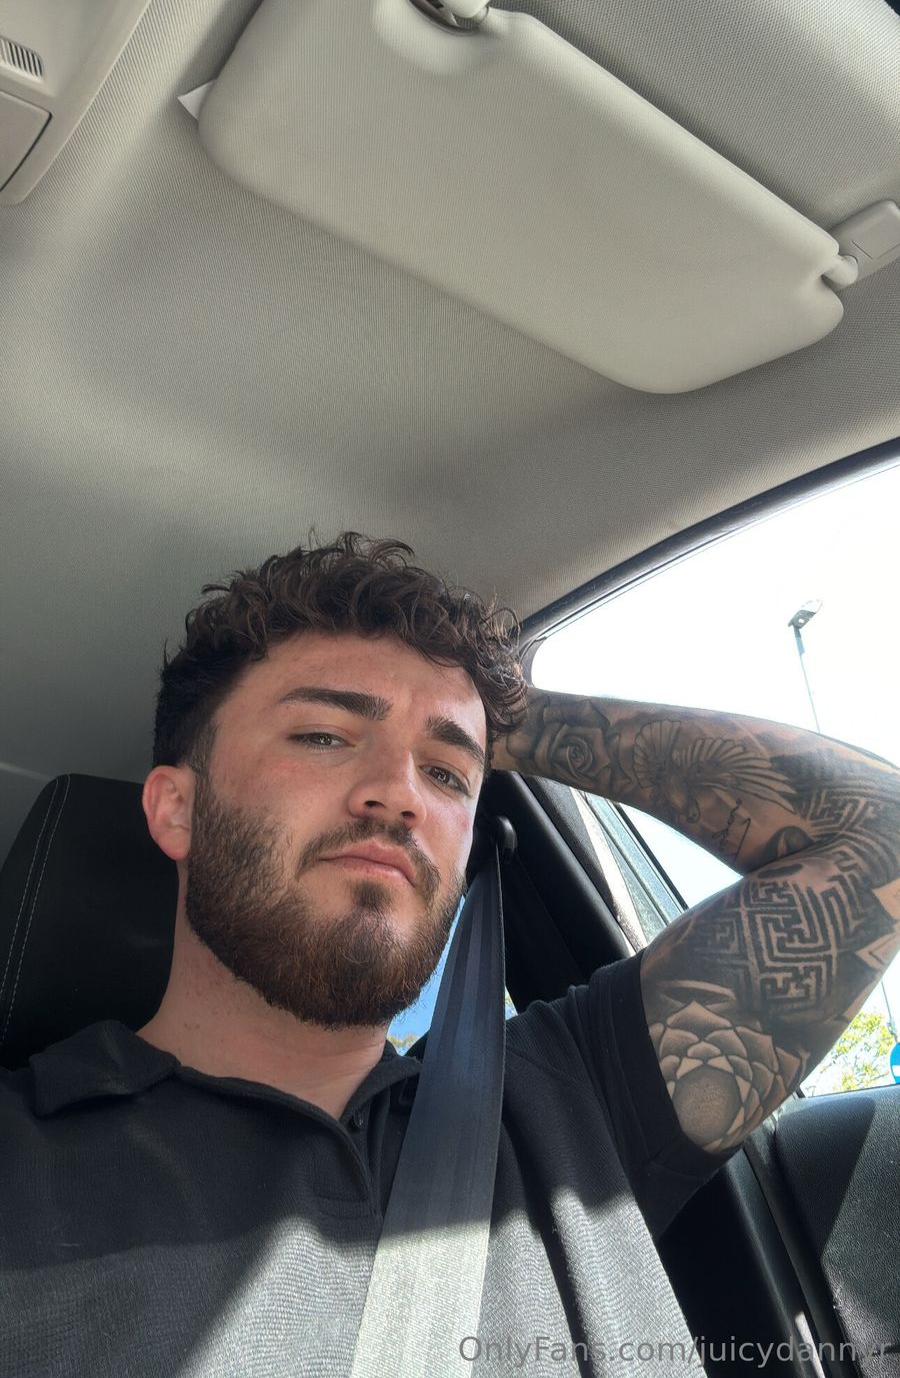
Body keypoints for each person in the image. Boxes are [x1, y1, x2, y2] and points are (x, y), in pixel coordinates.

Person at [4, 533, 900, 1378]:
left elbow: (880, 835)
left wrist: (493, 714)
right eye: (324, 735)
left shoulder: (571, 1098)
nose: (399, 794)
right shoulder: (23, 1159)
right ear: (178, 809)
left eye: (446, 774)